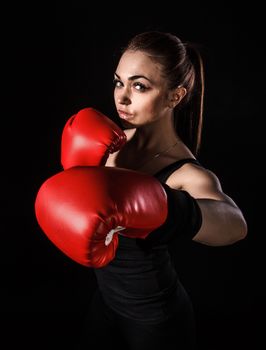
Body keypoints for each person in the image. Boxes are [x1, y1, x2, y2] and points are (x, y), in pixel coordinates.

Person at [35, 31, 248, 349]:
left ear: (175, 97)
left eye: (139, 86)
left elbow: (235, 225)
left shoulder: (184, 173)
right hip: (105, 303)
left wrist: (169, 208)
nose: (121, 97)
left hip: (157, 320)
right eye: (119, 82)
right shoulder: (107, 142)